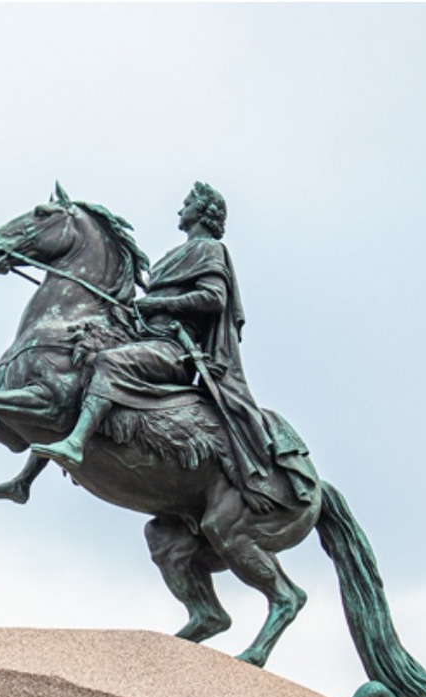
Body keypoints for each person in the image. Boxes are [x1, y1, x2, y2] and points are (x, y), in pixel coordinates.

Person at [31, 182, 311, 514]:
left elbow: (213, 298)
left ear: (203, 212)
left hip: (173, 349)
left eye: (187, 203)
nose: (180, 209)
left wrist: (156, 304)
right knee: (72, 373)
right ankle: (25, 479)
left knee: (109, 362)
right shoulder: (171, 257)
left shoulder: (209, 249)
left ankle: (76, 443)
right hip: (147, 339)